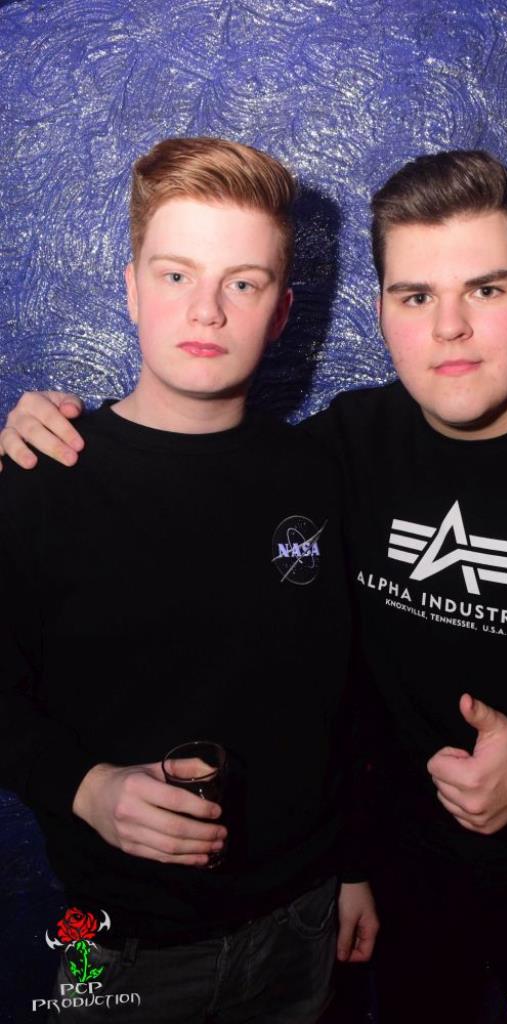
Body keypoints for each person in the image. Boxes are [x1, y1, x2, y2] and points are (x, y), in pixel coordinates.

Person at [4, 150, 507, 1020]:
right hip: (356, 898)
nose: (449, 328)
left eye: (486, 289)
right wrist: (31, 436)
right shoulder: (343, 448)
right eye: (415, 296)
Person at [0, 136, 378, 1024]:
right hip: (115, 942)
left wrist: (355, 865)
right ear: (132, 288)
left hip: (303, 924)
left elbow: (350, 693)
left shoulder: (322, 473)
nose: (206, 310)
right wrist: (87, 787)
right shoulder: (39, 475)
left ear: (281, 313)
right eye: (176, 275)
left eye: (243, 283)